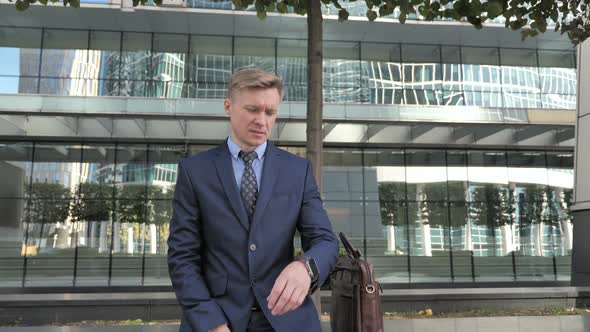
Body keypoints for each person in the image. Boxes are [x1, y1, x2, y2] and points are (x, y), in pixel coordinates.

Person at [167, 68, 339, 332]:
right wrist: (210, 322)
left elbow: (325, 240)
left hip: (287, 320)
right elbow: (182, 257)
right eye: (252, 109)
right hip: (217, 319)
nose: (262, 120)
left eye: (270, 112)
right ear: (228, 106)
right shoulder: (195, 172)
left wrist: (306, 267)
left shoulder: (298, 170)